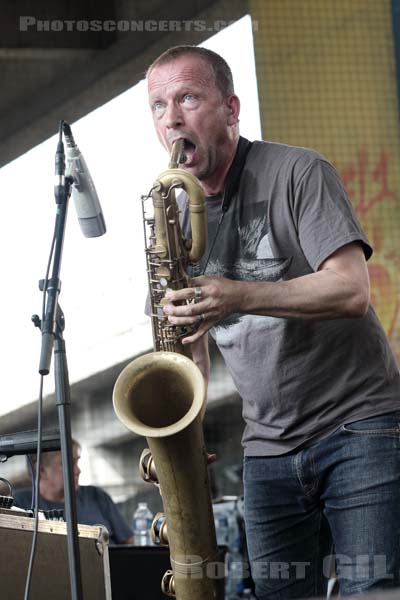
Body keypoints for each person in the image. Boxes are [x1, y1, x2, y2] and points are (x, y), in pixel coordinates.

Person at [145, 45, 400, 598]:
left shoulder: (297, 171)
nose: (172, 119)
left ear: (231, 109)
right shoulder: (169, 213)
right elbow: (192, 350)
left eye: (188, 98)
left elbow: (351, 290)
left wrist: (236, 294)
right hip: (266, 449)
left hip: (359, 426)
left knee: (373, 591)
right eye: (159, 106)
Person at [13, 439, 133, 545]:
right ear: (42, 470)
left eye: (76, 462)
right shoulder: (19, 504)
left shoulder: (96, 495)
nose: (78, 470)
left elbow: (129, 543)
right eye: (68, 463)